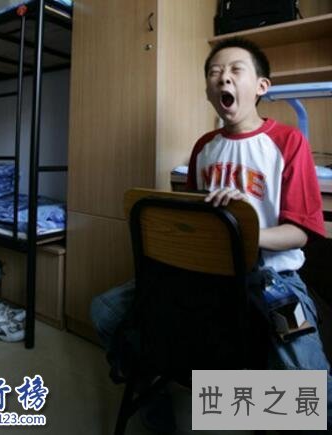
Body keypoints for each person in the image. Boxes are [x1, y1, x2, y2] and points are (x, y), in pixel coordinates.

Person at [91, 36, 331, 432]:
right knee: (104, 313)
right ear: (208, 91)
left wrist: (242, 230)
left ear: (261, 86)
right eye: (214, 73)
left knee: (314, 390)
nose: (224, 78)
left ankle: (222, 401)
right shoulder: (204, 147)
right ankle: (157, 405)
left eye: (236, 70)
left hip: (273, 278)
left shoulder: (289, 142)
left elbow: (300, 233)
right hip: (203, 276)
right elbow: (193, 225)